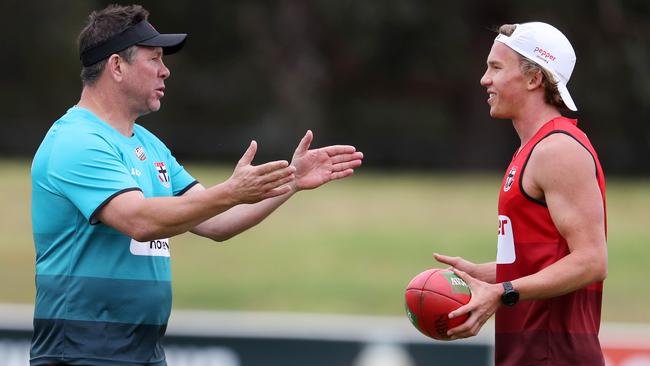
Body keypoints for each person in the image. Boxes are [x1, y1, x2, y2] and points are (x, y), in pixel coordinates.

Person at [30, 4, 363, 365]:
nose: (165, 70)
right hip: (80, 353)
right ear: (116, 66)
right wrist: (232, 190)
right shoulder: (77, 141)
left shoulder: (148, 145)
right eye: (154, 58)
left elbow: (216, 221)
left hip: (142, 352)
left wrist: (290, 181)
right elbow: (139, 221)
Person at [434, 22, 607, 365]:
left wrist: (504, 291)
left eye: (496, 68)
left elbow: (591, 260)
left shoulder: (557, 150)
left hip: (554, 357)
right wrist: (487, 275)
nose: (485, 79)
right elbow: (548, 258)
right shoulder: (533, 149)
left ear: (533, 79)